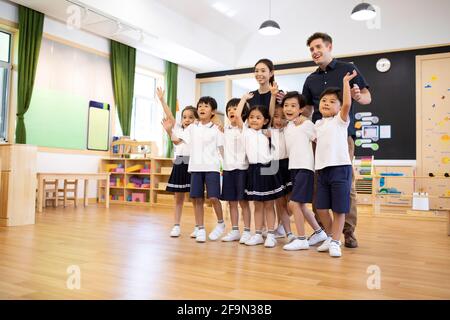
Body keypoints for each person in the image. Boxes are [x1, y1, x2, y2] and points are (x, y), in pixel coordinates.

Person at [302, 32, 372, 248]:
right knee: (318, 182)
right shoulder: (310, 79)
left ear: (329, 46)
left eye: (317, 47)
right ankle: (324, 231)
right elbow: (306, 110)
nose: (314, 52)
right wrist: (288, 103)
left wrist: (359, 95)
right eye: (311, 49)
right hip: (318, 136)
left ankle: (348, 232)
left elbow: (367, 97)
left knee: (345, 184)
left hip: (343, 136)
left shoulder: (347, 69)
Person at [315, 70, 358, 257]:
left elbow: (348, 103)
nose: (326, 103)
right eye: (324, 100)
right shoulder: (317, 124)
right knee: (322, 208)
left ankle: (334, 242)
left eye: (332, 101)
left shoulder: (341, 121)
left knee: (339, 208)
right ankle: (332, 237)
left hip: (340, 169)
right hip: (322, 171)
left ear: (340, 107)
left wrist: (345, 82)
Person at [171, 96, 226, 243]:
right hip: (195, 168)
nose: (202, 108)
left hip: (212, 167)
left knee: (214, 197)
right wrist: (169, 129)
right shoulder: (192, 128)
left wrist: (226, 166)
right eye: (200, 106)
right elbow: (177, 140)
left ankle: (221, 223)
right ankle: (200, 228)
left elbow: (222, 149)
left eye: (206, 106)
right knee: (197, 198)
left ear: (212, 111)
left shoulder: (217, 129)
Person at [279, 91, 328, 251]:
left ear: (301, 109)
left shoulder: (307, 125)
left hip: (305, 168)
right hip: (293, 168)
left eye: (293, 106)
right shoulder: (288, 127)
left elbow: (320, 141)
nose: (289, 108)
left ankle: (301, 239)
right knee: (300, 206)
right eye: (286, 105)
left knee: (294, 204)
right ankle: (319, 233)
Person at [237, 93, 284, 248]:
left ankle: (270, 234)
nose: (254, 120)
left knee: (269, 204)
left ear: (264, 121)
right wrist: (243, 100)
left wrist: (272, 95)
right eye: (251, 117)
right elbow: (237, 116)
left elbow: (270, 112)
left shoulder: (268, 132)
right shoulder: (246, 132)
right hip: (254, 170)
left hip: (268, 169)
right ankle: (257, 233)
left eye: (258, 117)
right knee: (257, 205)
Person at [158, 87, 198, 238]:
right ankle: (176, 225)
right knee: (178, 198)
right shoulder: (180, 128)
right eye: (185, 117)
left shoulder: (196, 130)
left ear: (196, 120)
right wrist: (162, 100)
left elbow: (176, 141)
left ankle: (198, 226)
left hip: (193, 165)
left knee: (195, 198)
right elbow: (169, 116)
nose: (187, 120)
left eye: (191, 117)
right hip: (179, 164)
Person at [220, 98, 252, 244]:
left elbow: (239, 117)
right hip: (228, 170)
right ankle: (234, 230)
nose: (232, 111)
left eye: (235, 108)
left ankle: (246, 231)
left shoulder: (244, 127)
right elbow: (222, 148)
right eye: (229, 109)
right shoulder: (225, 129)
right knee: (231, 202)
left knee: (243, 202)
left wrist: (244, 99)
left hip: (242, 169)